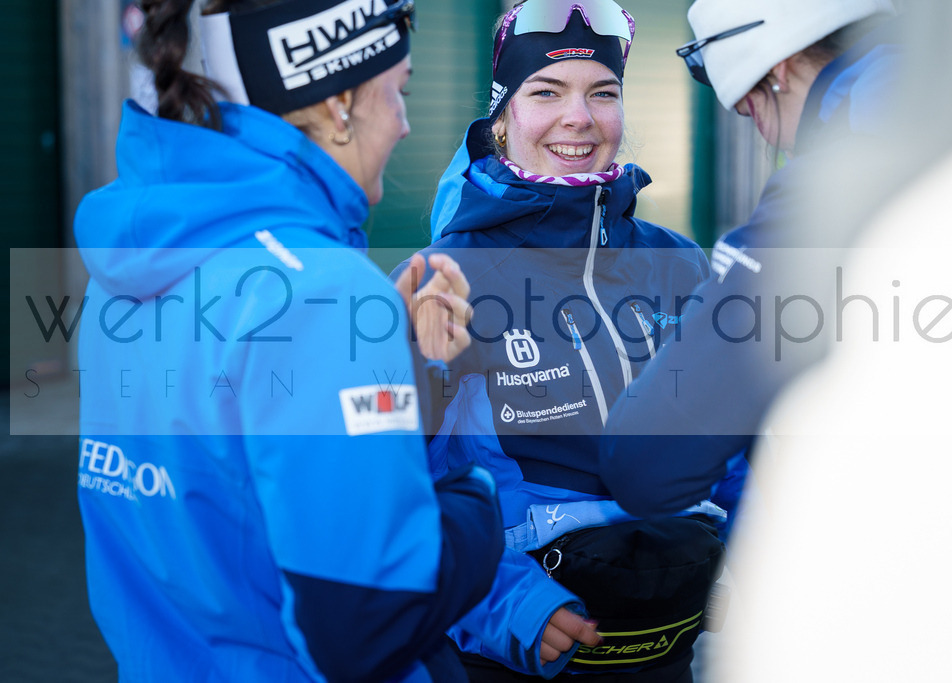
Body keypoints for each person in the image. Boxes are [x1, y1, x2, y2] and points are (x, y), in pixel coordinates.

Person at [73, 0, 504, 681]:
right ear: (338, 104)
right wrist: (475, 494)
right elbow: (369, 626)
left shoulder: (129, 266)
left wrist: (388, 366)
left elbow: (216, 491)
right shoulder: (324, 292)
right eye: (399, 91)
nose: (405, 122)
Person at [394, 1, 723, 680]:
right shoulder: (443, 279)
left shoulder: (680, 263)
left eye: (603, 93)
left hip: (668, 642)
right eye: (546, 92)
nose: (579, 117)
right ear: (503, 116)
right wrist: (507, 606)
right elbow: (398, 487)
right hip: (514, 649)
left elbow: (737, 444)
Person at [599, 0, 903, 518]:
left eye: (750, 112)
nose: (769, 138)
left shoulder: (832, 187)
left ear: (778, 73)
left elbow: (647, 463)